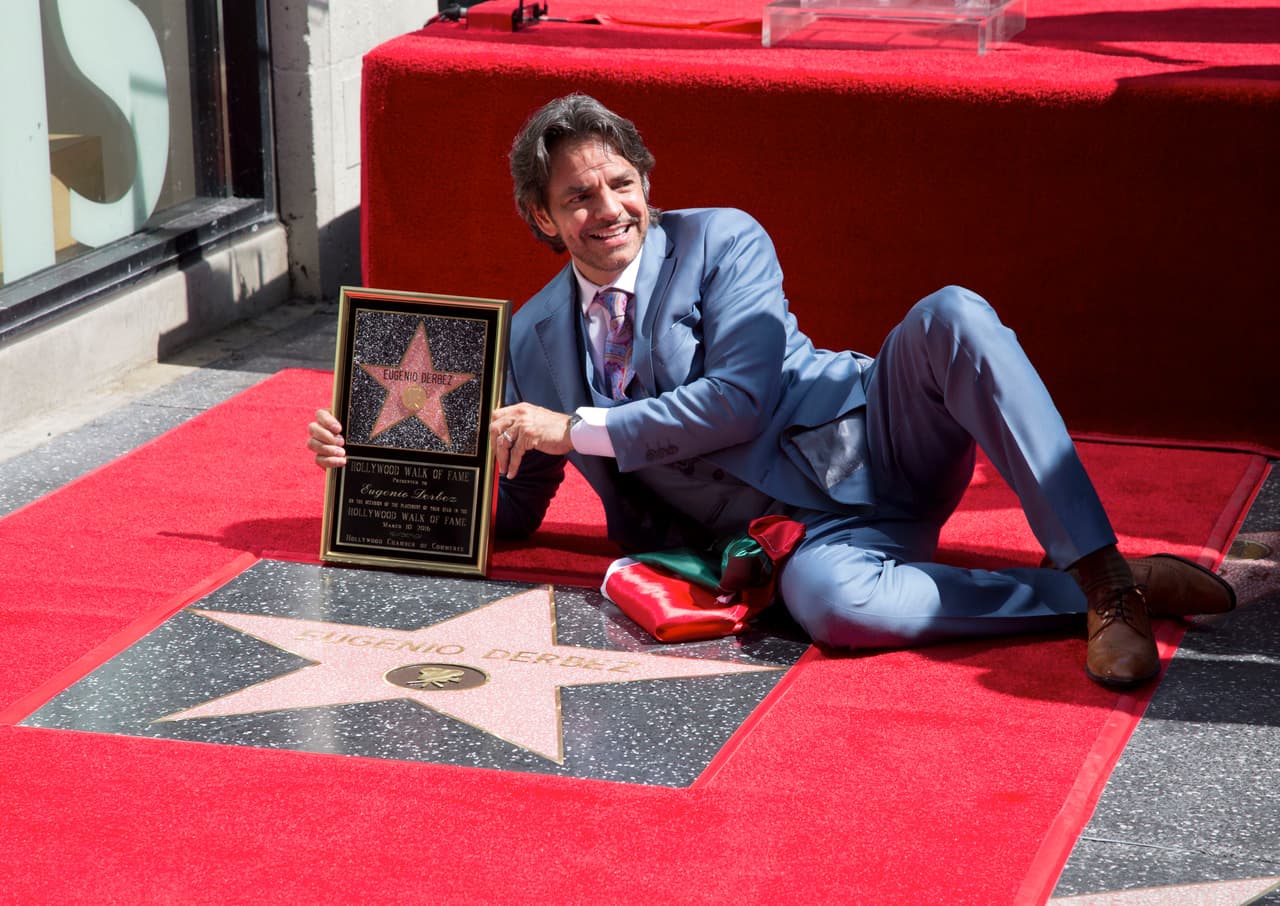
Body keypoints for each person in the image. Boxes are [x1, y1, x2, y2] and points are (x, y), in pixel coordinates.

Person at [309, 93, 1234, 688]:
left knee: (954, 314)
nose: (607, 211)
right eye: (577, 198)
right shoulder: (534, 336)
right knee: (836, 610)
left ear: (647, 183)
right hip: (799, 544)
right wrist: (380, 460)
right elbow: (512, 504)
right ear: (540, 217)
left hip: (875, 435)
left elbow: (741, 397)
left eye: (621, 183)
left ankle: (1103, 571)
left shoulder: (725, 240)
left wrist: (579, 425)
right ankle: (1082, 603)